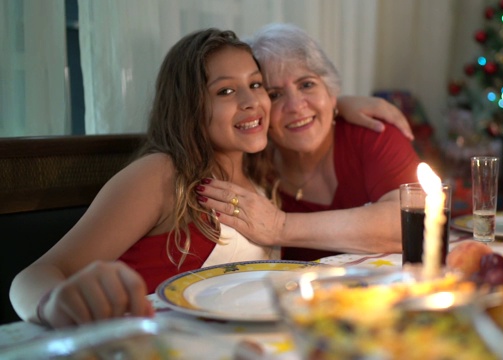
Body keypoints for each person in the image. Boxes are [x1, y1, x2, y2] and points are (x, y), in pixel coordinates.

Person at [10, 28, 278, 328]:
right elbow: (33, 276)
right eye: (225, 91)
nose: (251, 100)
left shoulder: (263, 179)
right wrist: (54, 304)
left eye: (256, 84)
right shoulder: (161, 174)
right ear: (189, 106)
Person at [196, 23, 422, 261]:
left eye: (307, 84)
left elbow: (408, 225)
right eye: (275, 95)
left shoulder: (371, 132)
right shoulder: (252, 165)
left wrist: (280, 226)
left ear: (330, 91)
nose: (296, 106)